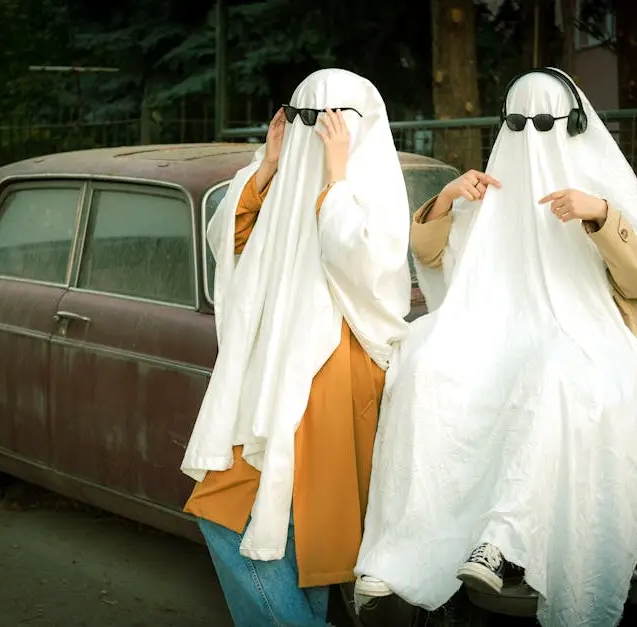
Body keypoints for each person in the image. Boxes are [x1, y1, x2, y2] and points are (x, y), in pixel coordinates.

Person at [353, 68, 637, 626]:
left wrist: (599, 215)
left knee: (555, 370)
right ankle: (399, 549)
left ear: (574, 126)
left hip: (583, 331)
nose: (531, 137)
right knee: (426, 358)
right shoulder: (493, 191)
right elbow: (430, 254)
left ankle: (503, 542)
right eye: (517, 122)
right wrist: (448, 200)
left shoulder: (602, 190)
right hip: (490, 329)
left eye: (545, 123)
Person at [180, 68, 412, 627]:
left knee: (294, 534)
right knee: (258, 524)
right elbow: (232, 241)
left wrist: (336, 177)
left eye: (332, 122)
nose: (319, 132)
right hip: (266, 376)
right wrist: (269, 165)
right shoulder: (281, 189)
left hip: (332, 376)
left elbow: (360, 265)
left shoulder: (374, 189)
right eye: (308, 118)